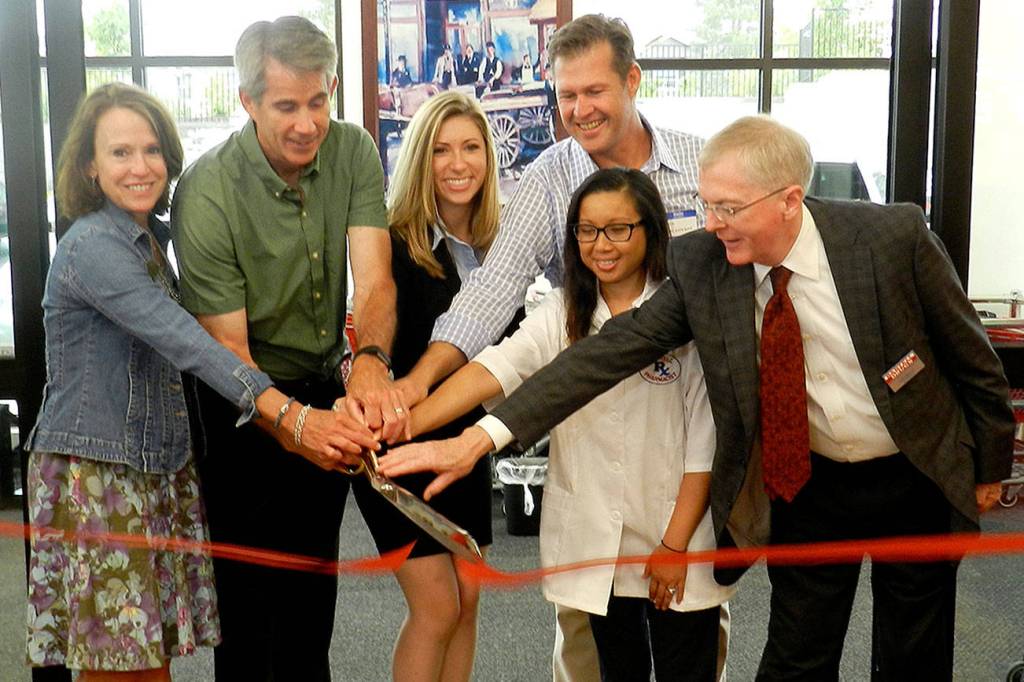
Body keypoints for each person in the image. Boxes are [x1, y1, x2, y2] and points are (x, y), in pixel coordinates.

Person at [380, 115, 1016, 681]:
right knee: (799, 653)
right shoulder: (705, 264)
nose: (711, 223)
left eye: (729, 208)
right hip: (809, 478)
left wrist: (989, 465)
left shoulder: (890, 238)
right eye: (708, 204)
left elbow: (971, 357)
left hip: (915, 469)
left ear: (789, 201)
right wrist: (475, 440)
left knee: (913, 651)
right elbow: (599, 357)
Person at [388, 14, 710, 681]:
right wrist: (410, 404)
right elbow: (495, 320)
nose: (579, 109)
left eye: (594, 91)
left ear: (632, 80)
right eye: (566, 95)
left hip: (680, 460)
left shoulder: (703, 168)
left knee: (692, 650)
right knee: (595, 657)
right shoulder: (551, 203)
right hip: (587, 451)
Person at [23, 82, 374, 681]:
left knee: (142, 662)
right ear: (88, 164)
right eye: (119, 153)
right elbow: (187, 341)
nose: (141, 167)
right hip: (101, 479)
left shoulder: (147, 241)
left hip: (152, 469)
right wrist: (292, 416)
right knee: (125, 669)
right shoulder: (94, 248)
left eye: (151, 150)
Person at [406, 168, 734, 681]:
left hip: (675, 534)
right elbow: (498, 365)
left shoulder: (685, 312)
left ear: (650, 231)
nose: (601, 244)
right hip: (598, 543)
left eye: (618, 229)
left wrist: (674, 545)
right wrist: (407, 422)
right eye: (586, 230)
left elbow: (704, 445)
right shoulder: (562, 312)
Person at [170, 16, 397, 680]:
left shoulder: (353, 150)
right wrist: (297, 426)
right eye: (286, 106)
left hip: (323, 381)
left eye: (318, 101)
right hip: (237, 397)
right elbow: (230, 353)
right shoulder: (208, 190)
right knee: (248, 608)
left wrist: (372, 364)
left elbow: (376, 280)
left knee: (309, 595)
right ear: (247, 101)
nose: (307, 123)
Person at [349, 90, 507, 682]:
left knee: (467, 602)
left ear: (490, 158)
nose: (458, 163)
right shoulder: (392, 243)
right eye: (441, 149)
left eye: (471, 147)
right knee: (436, 607)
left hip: (463, 448)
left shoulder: (502, 248)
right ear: (421, 158)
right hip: (395, 445)